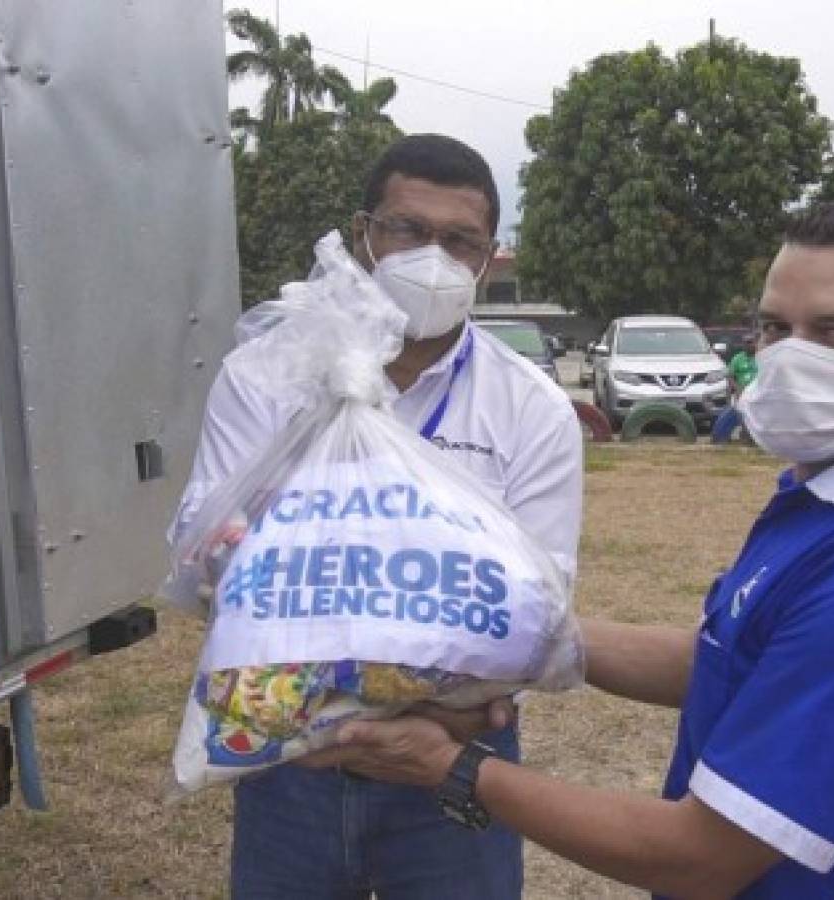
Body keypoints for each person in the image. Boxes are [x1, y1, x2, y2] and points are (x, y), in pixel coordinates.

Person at [304, 196, 834, 898]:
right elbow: (732, 659)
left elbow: (700, 856)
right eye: (775, 328)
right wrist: (509, 631)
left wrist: (449, 765)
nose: (788, 357)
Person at [169, 134, 583, 898]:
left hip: (457, 761)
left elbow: (541, 611)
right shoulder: (267, 375)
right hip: (288, 757)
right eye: (407, 230)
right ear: (363, 234)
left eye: (460, 241)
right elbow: (203, 560)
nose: (433, 257)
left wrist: (435, 722)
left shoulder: (531, 409)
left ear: (489, 258)